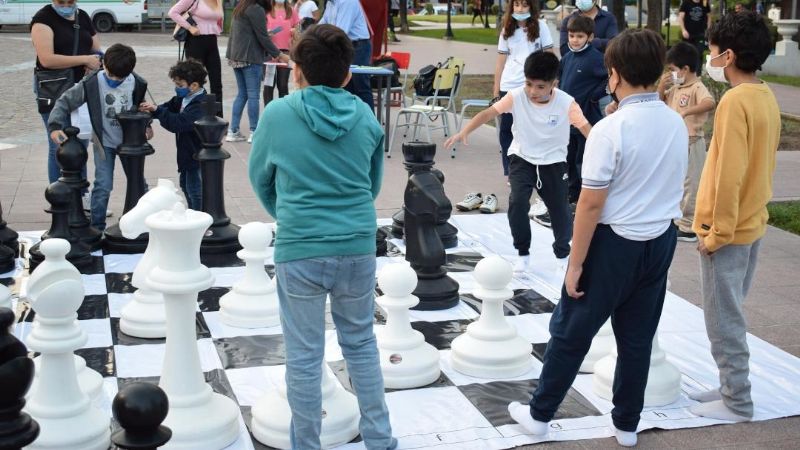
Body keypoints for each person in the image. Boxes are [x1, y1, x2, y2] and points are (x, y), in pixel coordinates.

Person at [507, 29, 687, 448]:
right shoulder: (675, 122)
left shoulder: (611, 128)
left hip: (614, 244)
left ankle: (539, 415)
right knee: (637, 337)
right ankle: (626, 423)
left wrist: (575, 263)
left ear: (615, 74)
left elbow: (589, 205)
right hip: (660, 241)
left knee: (571, 331)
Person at [247, 24, 396, 450]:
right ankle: (381, 441)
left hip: (301, 249)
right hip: (356, 244)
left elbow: (261, 180)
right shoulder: (366, 116)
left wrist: (290, 216)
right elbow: (371, 185)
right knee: (362, 345)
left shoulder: (276, 115)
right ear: (349, 74)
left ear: (296, 71)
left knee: (304, 357)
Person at [690, 11, 780, 423]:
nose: (709, 57)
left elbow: (729, 173)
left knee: (724, 320)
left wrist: (715, 233)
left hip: (728, 230)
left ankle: (738, 400)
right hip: (751, 223)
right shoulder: (764, 94)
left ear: (727, 55)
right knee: (730, 312)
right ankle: (729, 387)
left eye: (711, 51)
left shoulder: (734, 102)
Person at [445, 52, 591, 273]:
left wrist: (603, 150)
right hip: (522, 158)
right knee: (518, 202)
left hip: (554, 162)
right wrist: (465, 130)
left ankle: (562, 253)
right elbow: (488, 113)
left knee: (560, 211)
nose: (532, 91)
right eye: (528, 84)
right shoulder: (516, 96)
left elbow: (587, 129)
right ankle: (523, 253)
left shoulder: (566, 103)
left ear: (554, 84)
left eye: (540, 87)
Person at [47, 43, 150, 231]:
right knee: (103, 185)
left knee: (139, 184)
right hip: (105, 143)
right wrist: (54, 126)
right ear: (104, 65)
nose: (114, 80)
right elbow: (64, 102)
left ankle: (141, 223)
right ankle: (97, 227)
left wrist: (147, 125)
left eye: (120, 78)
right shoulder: (91, 83)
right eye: (111, 75)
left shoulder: (138, 83)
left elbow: (141, 108)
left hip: (132, 143)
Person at [30, 0, 102, 186]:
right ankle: (60, 197)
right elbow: (47, 59)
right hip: (54, 89)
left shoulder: (82, 16)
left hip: (81, 88)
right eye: (62, 1)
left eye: (70, 1)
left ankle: (81, 194)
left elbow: (96, 49)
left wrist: (95, 61)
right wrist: (83, 59)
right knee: (59, 144)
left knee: (80, 142)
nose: (66, 4)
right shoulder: (43, 19)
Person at [657, 42, 715, 242]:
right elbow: (659, 103)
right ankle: (678, 219)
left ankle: (689, 226)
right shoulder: (676, 87)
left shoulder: (697, 87)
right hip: (677, 142)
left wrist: (687, 111)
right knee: (678, 182)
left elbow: (709, 102)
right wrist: (661, 88)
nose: (671, 73)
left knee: (691, 182)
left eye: (672, 70)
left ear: (685, 69)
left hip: (692, 141)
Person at [492, 0, 554, 180]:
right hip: (509, 85)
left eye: (524, 5)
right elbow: (500, 63)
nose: (520, 9)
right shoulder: (506, 30)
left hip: (532, 85)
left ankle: (535, 170)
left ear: (531, 8)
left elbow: (550, 55)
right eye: (517, 5)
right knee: (507, 130)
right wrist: (496, 90)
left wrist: (550, 82)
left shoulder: (541, 27)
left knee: (531, 128)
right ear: (511, 8)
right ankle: (511, 172)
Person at [138, 60, 208, 210]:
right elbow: (168, 107)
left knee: (195, 190)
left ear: (194, 85)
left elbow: (178, 123)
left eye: (180, 85)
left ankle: (199, 216)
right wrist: (152, 110)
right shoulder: (184, 98)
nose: (177, 89)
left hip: (197, 154)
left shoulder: (200, 105)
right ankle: (192, 213)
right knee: (185, 185)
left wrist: (157, 111)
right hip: (186, 153)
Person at [558, 15, 607, 207]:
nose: (575, 40)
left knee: (583, 161)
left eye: (579, 36)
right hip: (567, 122)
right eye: (571, 36)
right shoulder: (567, 58)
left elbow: (608, 79)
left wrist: (594, 96)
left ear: (590, 37)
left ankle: (584, 199)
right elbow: (560, 82)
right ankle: (571, 194)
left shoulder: (596, 58)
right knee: (569, 159)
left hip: (587, 119)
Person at [225, 0, 289, 143]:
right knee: (253, 95)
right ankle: (255, 131)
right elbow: (263, 38)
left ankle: (233, 130)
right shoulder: (256, 9)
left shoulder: (241, 7)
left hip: (236, 56)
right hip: (250, 56)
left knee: (242, 94)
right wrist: (280, 55)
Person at [169, 0, 224, 117]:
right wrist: (189, 27)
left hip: (212, 41)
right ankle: (194, 115)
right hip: (195, 41)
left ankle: (218, 119)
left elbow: (218, 20)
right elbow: (173, 13)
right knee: (195, 82)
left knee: (217, 83)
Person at [319, 0, 374, 109]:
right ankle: (350, 122)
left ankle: (369, 123)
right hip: (344, 46)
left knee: (361, 86)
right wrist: (309, 34)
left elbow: (340, 31)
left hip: (359, 46)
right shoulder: (331, 3)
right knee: (345, 87)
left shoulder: (348, 2)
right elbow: (322, 24)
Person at [263, 0, 299, 108]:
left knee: (283, 85)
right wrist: (267, 33)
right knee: (269, 85)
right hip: (269, 52)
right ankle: (268, 113)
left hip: (285, 54)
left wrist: (295, 32)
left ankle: (284, 112)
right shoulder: (267, 10)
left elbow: (297, 35)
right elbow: (260, 31)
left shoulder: (291, 11)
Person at [678, 0, 712, 75]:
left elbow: (709, 16)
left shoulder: (704, 3)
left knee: (699, 53)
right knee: (686, 54)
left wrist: (708, 29)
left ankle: (697, 75)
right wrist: (683, 30)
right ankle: (685, 73)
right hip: (688, 34)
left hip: (700, 34)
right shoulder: (686, 2)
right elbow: (680, 17)